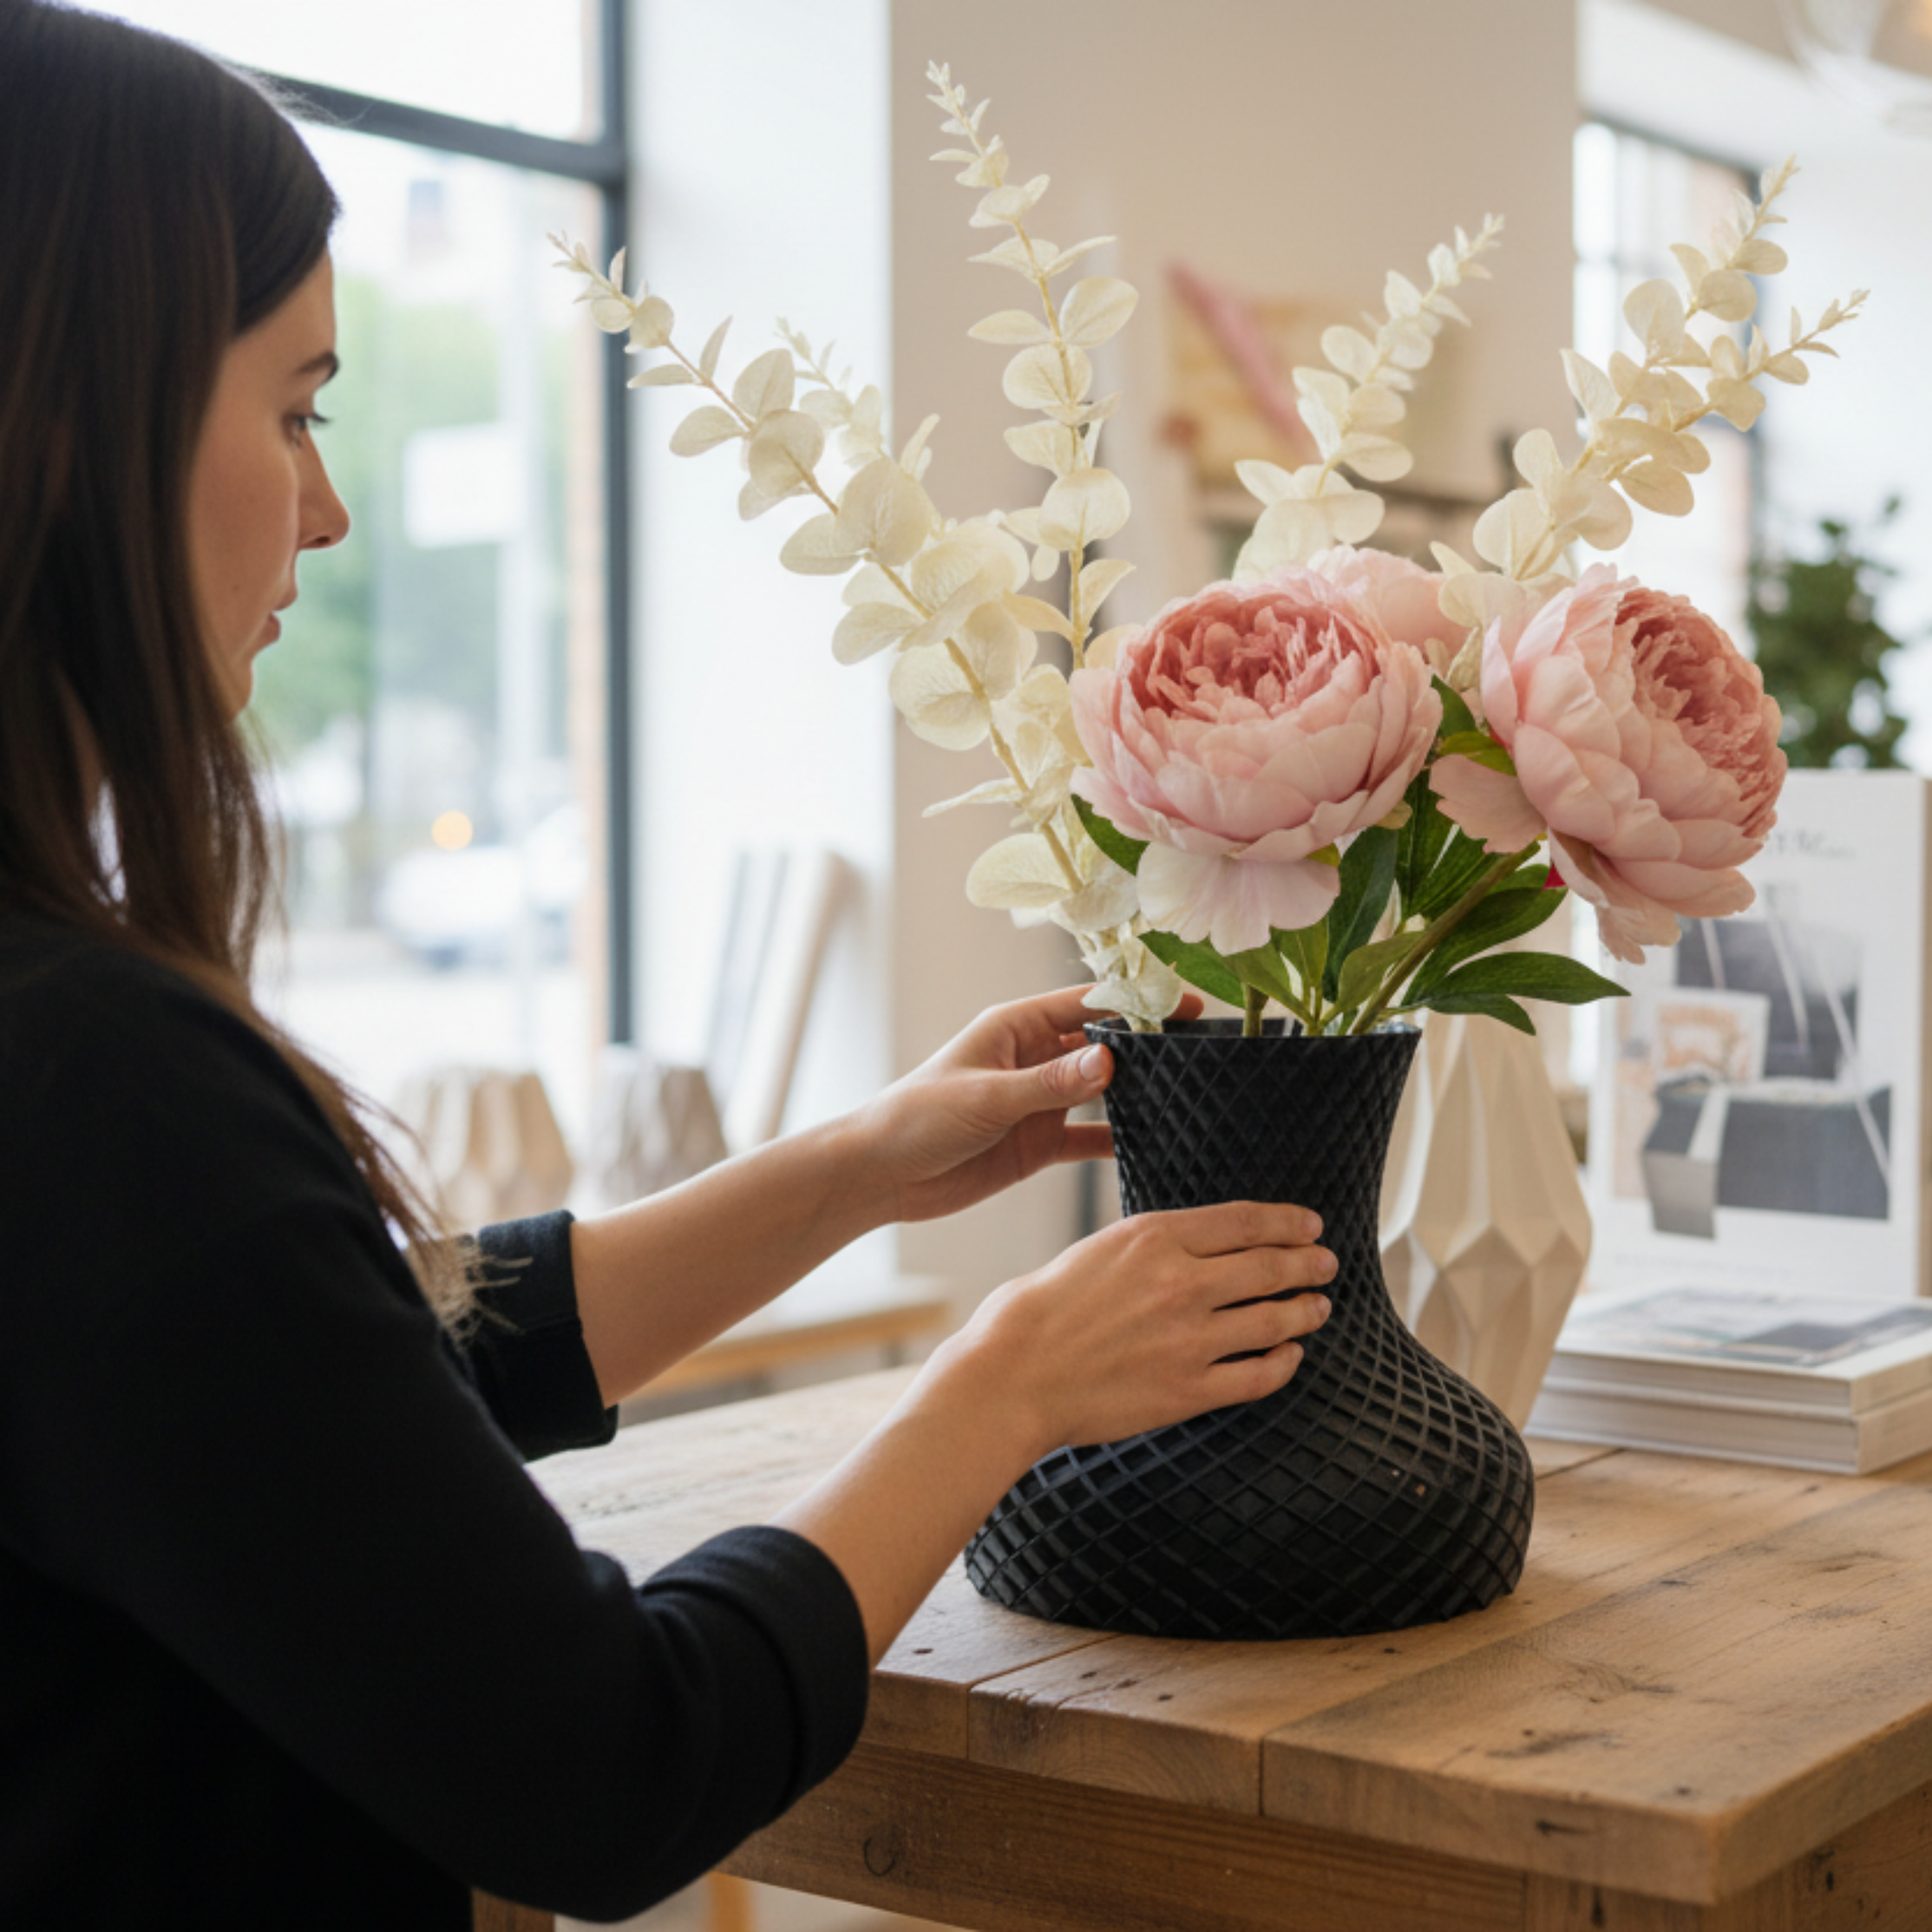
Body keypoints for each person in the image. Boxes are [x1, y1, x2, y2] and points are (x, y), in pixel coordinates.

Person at [0, 3, 1338, 1924]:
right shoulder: (93, 1074)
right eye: (295, 411)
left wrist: (852, 1167)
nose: (329, 506)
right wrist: (1000, 1386)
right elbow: (606, 1758)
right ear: (76, 419)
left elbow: (305, 1399)